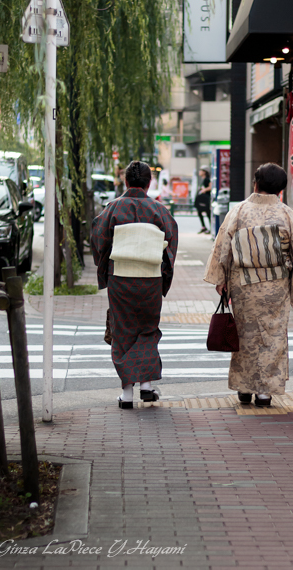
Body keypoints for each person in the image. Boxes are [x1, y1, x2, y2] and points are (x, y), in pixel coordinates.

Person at [203, 162, 293, 407]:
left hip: (243, 284)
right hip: (276, 285)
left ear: (256, 183)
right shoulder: (285, 213)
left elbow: (223, 246)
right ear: (280, 190)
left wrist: (221, 279)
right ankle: (264, 392)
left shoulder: (239, 211)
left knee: (244, 335)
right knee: (273, 335)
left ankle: (244, 387)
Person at [91, 160, 178, 409]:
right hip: (151, 277)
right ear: (149, 183)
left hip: (121, 277)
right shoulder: (160, 211)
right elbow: (170, 246)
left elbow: (99, 240)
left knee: (123, 330)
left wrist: (106, 267)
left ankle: (127, 394)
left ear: (126, 181)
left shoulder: (113, 209)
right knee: (148, 328)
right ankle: (147, 386)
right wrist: (163, 275)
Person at [194, 166, 211, 234]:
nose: (199, 172)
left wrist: (204, 190)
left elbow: (210, 187)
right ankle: (204, 227)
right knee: (200, 212)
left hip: (205, 199)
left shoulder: (207, 179)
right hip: (202, 199)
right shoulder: (203, 179)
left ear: (204, 172)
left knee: (207, 213)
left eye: (201, 170)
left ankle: (210, 228)